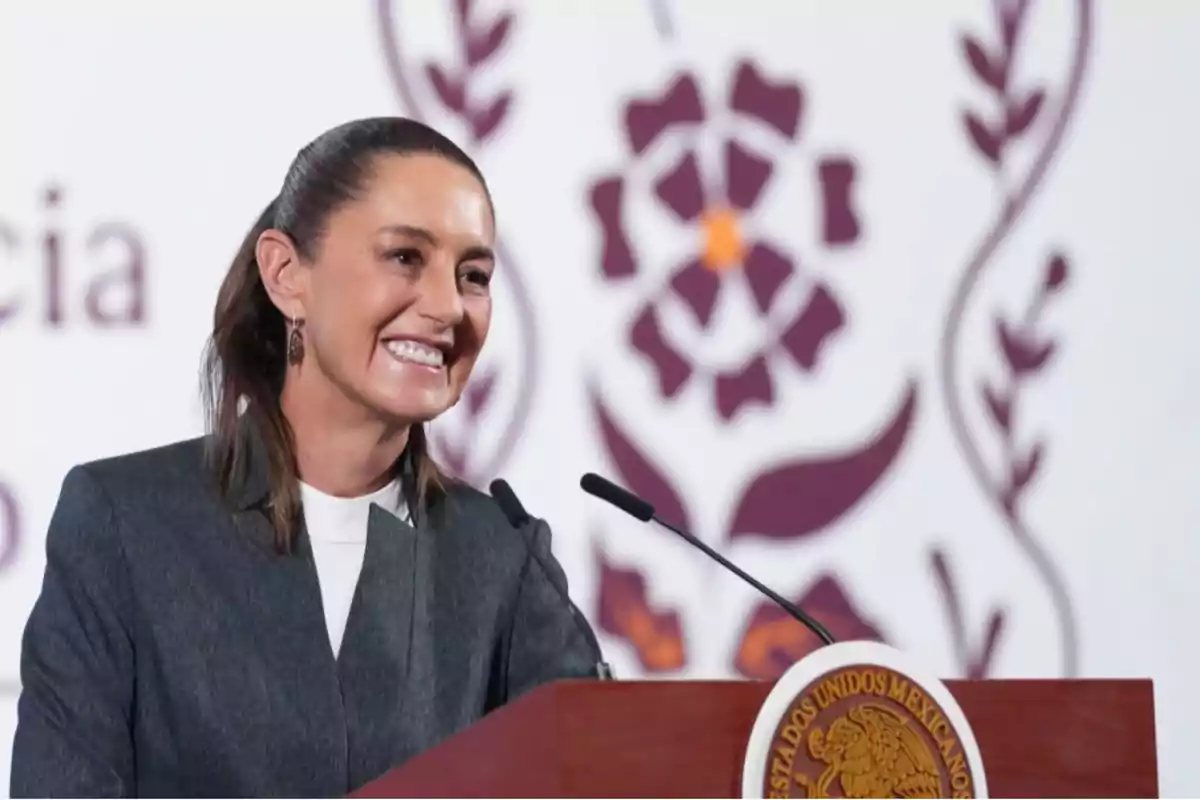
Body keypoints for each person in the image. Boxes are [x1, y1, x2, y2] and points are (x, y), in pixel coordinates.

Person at [9, 117, 602, 798]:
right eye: (405, 257)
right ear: (287, 275)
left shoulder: (505, 560)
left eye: (473, 275)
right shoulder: (122, 524)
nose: (447, 306)